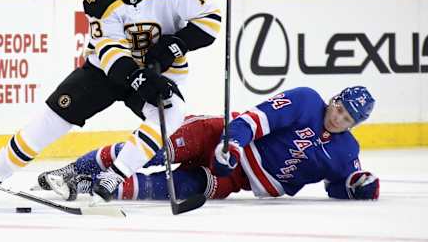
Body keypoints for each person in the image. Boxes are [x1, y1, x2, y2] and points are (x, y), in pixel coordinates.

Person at [0, 0, 221, 203]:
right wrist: (135, 76)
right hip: (107, 72)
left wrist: (174, 46)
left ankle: (115, 175)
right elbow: (109, 52)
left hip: (162, 69)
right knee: (51, 118)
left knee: (172, 113)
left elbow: (211, 22)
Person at [38, 86, 379, 202]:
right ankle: (71, 170)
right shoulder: (306, 101)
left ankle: (85, 187)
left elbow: (341, 184)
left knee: (175, 187)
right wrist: (231, 144)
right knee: (155, 150)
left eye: (348, 118)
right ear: (333, 99)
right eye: (339, 108)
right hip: (218, 136)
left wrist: (360, 188)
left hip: (237, 179)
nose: (338, 118)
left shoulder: (346, 152)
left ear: (354, 125)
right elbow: (252, 120)